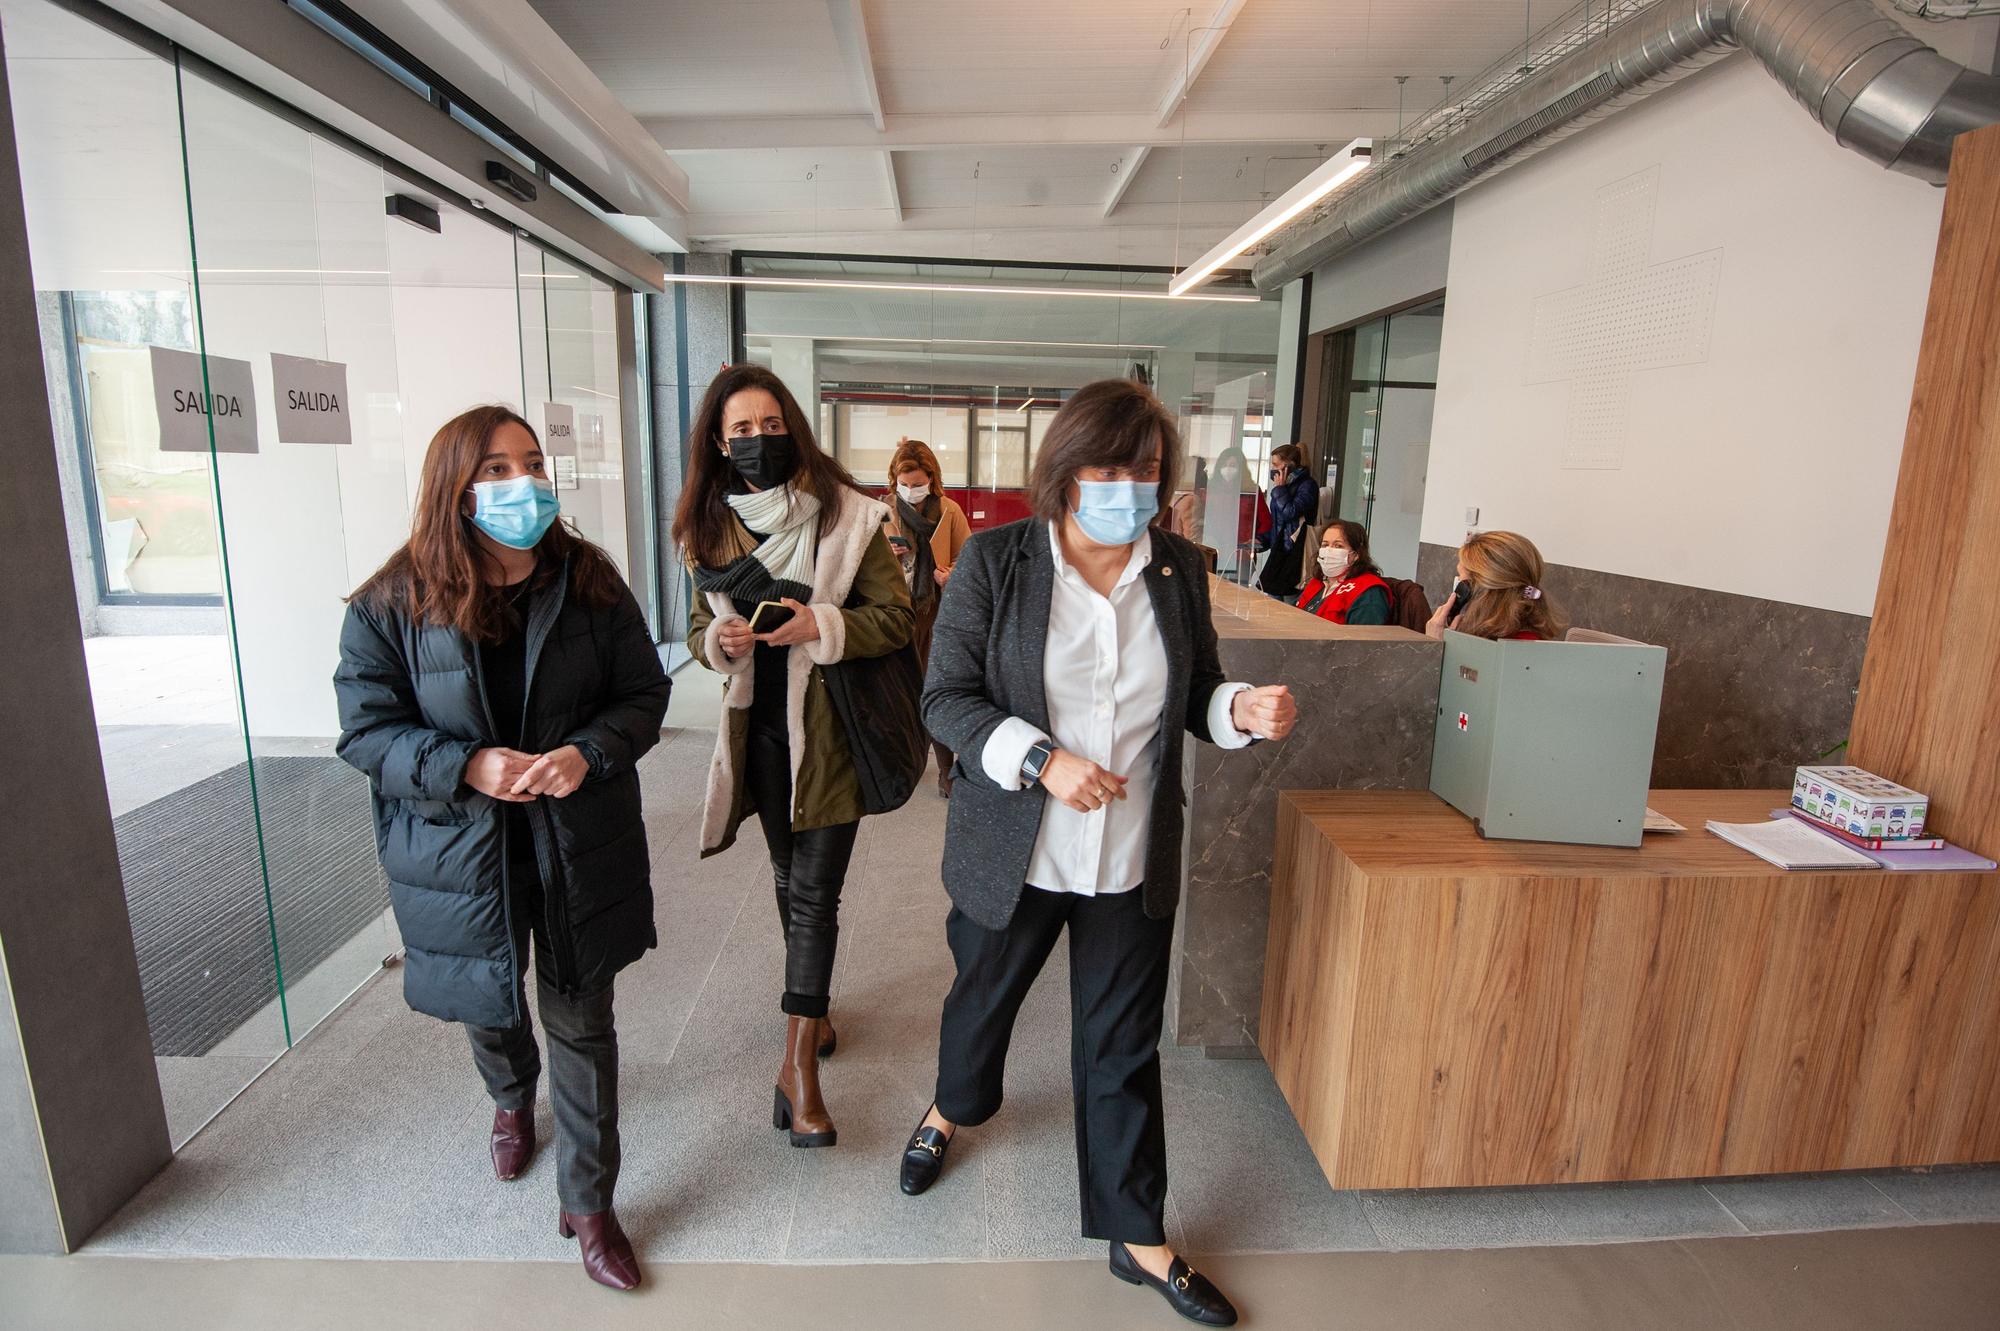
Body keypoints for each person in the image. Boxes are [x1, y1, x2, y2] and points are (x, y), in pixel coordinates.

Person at [902, 378, 1297, 1328]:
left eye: (1149, 468)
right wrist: (1041, 759)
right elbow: (944, 700)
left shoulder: (1177, 568)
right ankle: (951, 1108)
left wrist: (1234, 710)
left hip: (1129, 855)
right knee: (981, 1002)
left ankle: (1136, 1232)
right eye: (1111, 466)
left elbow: (1194, 688)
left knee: (1120, 1047)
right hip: (1016, 849)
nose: (1131, 485)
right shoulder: (997, 564)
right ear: (1068, 470)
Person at [334, 405, 670, 1292]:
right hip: (457, 854)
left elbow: (643, 692)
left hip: (574, 840)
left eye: (529, 463)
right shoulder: (389, 601)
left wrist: (584, 753)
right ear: (454, 483)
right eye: (493, 469)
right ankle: (511, 1097)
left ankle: (591, 1206)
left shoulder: (587, 577)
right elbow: (366, 732)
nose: (519, 483)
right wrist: (466, 764)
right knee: (490, 1003)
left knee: (584, 1021)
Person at [677, 364, 914, 1149]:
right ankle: (811, 1010)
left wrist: (821, 625)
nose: (758, 440)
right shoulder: (706, 530)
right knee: (787, 878)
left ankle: (796, 1070)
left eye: (771, 425)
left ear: (795, 426)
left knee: (815, 894)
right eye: (740, 430)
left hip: (834, 736)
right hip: (764, 738)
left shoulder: (850, 515)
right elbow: (691, 630)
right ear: (717, 441)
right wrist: (719, 640)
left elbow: (895, 618)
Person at [883, 437, 972, 798]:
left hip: (935, 613)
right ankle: (905, 761)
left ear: (932, 479)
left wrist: (951, 575)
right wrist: (892, 558)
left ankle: (946, 769)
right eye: (904, 484)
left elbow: (970, 562)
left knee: (936, 689)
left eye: (917, 484)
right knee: (900, 692)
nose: (910, 490)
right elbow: (866, 567)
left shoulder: (949, 511)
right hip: (896, 614)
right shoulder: (884, 510)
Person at [1425, 529, 1569, 641]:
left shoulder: (1508, 651)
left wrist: (1434, 646)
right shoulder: (1497, 639)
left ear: (1477, 590)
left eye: (1462, 578)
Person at [1296, 519, 1392, 625]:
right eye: (1325, 545)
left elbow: (1365, 638)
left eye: (1338, 546)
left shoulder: (1369, 592)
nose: (1329, 551)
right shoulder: (1318, 582)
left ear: (1356, 555)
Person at [1255, 444, 1319, 600]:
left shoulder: (1307, 485)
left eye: (1276, 465)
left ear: (1289, 465)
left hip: (1296, 552)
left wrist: (1280, 490)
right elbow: (1278, 523)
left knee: (1291, 602)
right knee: (1273, 601)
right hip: (1280, 551)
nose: (1273, 469)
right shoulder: (1284, 487)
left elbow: (1291, 512)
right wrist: (1262, 540)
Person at [1203, 445, 1248, 576]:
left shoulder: (1249, 491)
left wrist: (1253, 539)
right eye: (1225, 464)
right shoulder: (1210, 490)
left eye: (1233, 465)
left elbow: (1265, 523)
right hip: (1213, 551)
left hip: (1240, 556)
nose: (1228, 468)